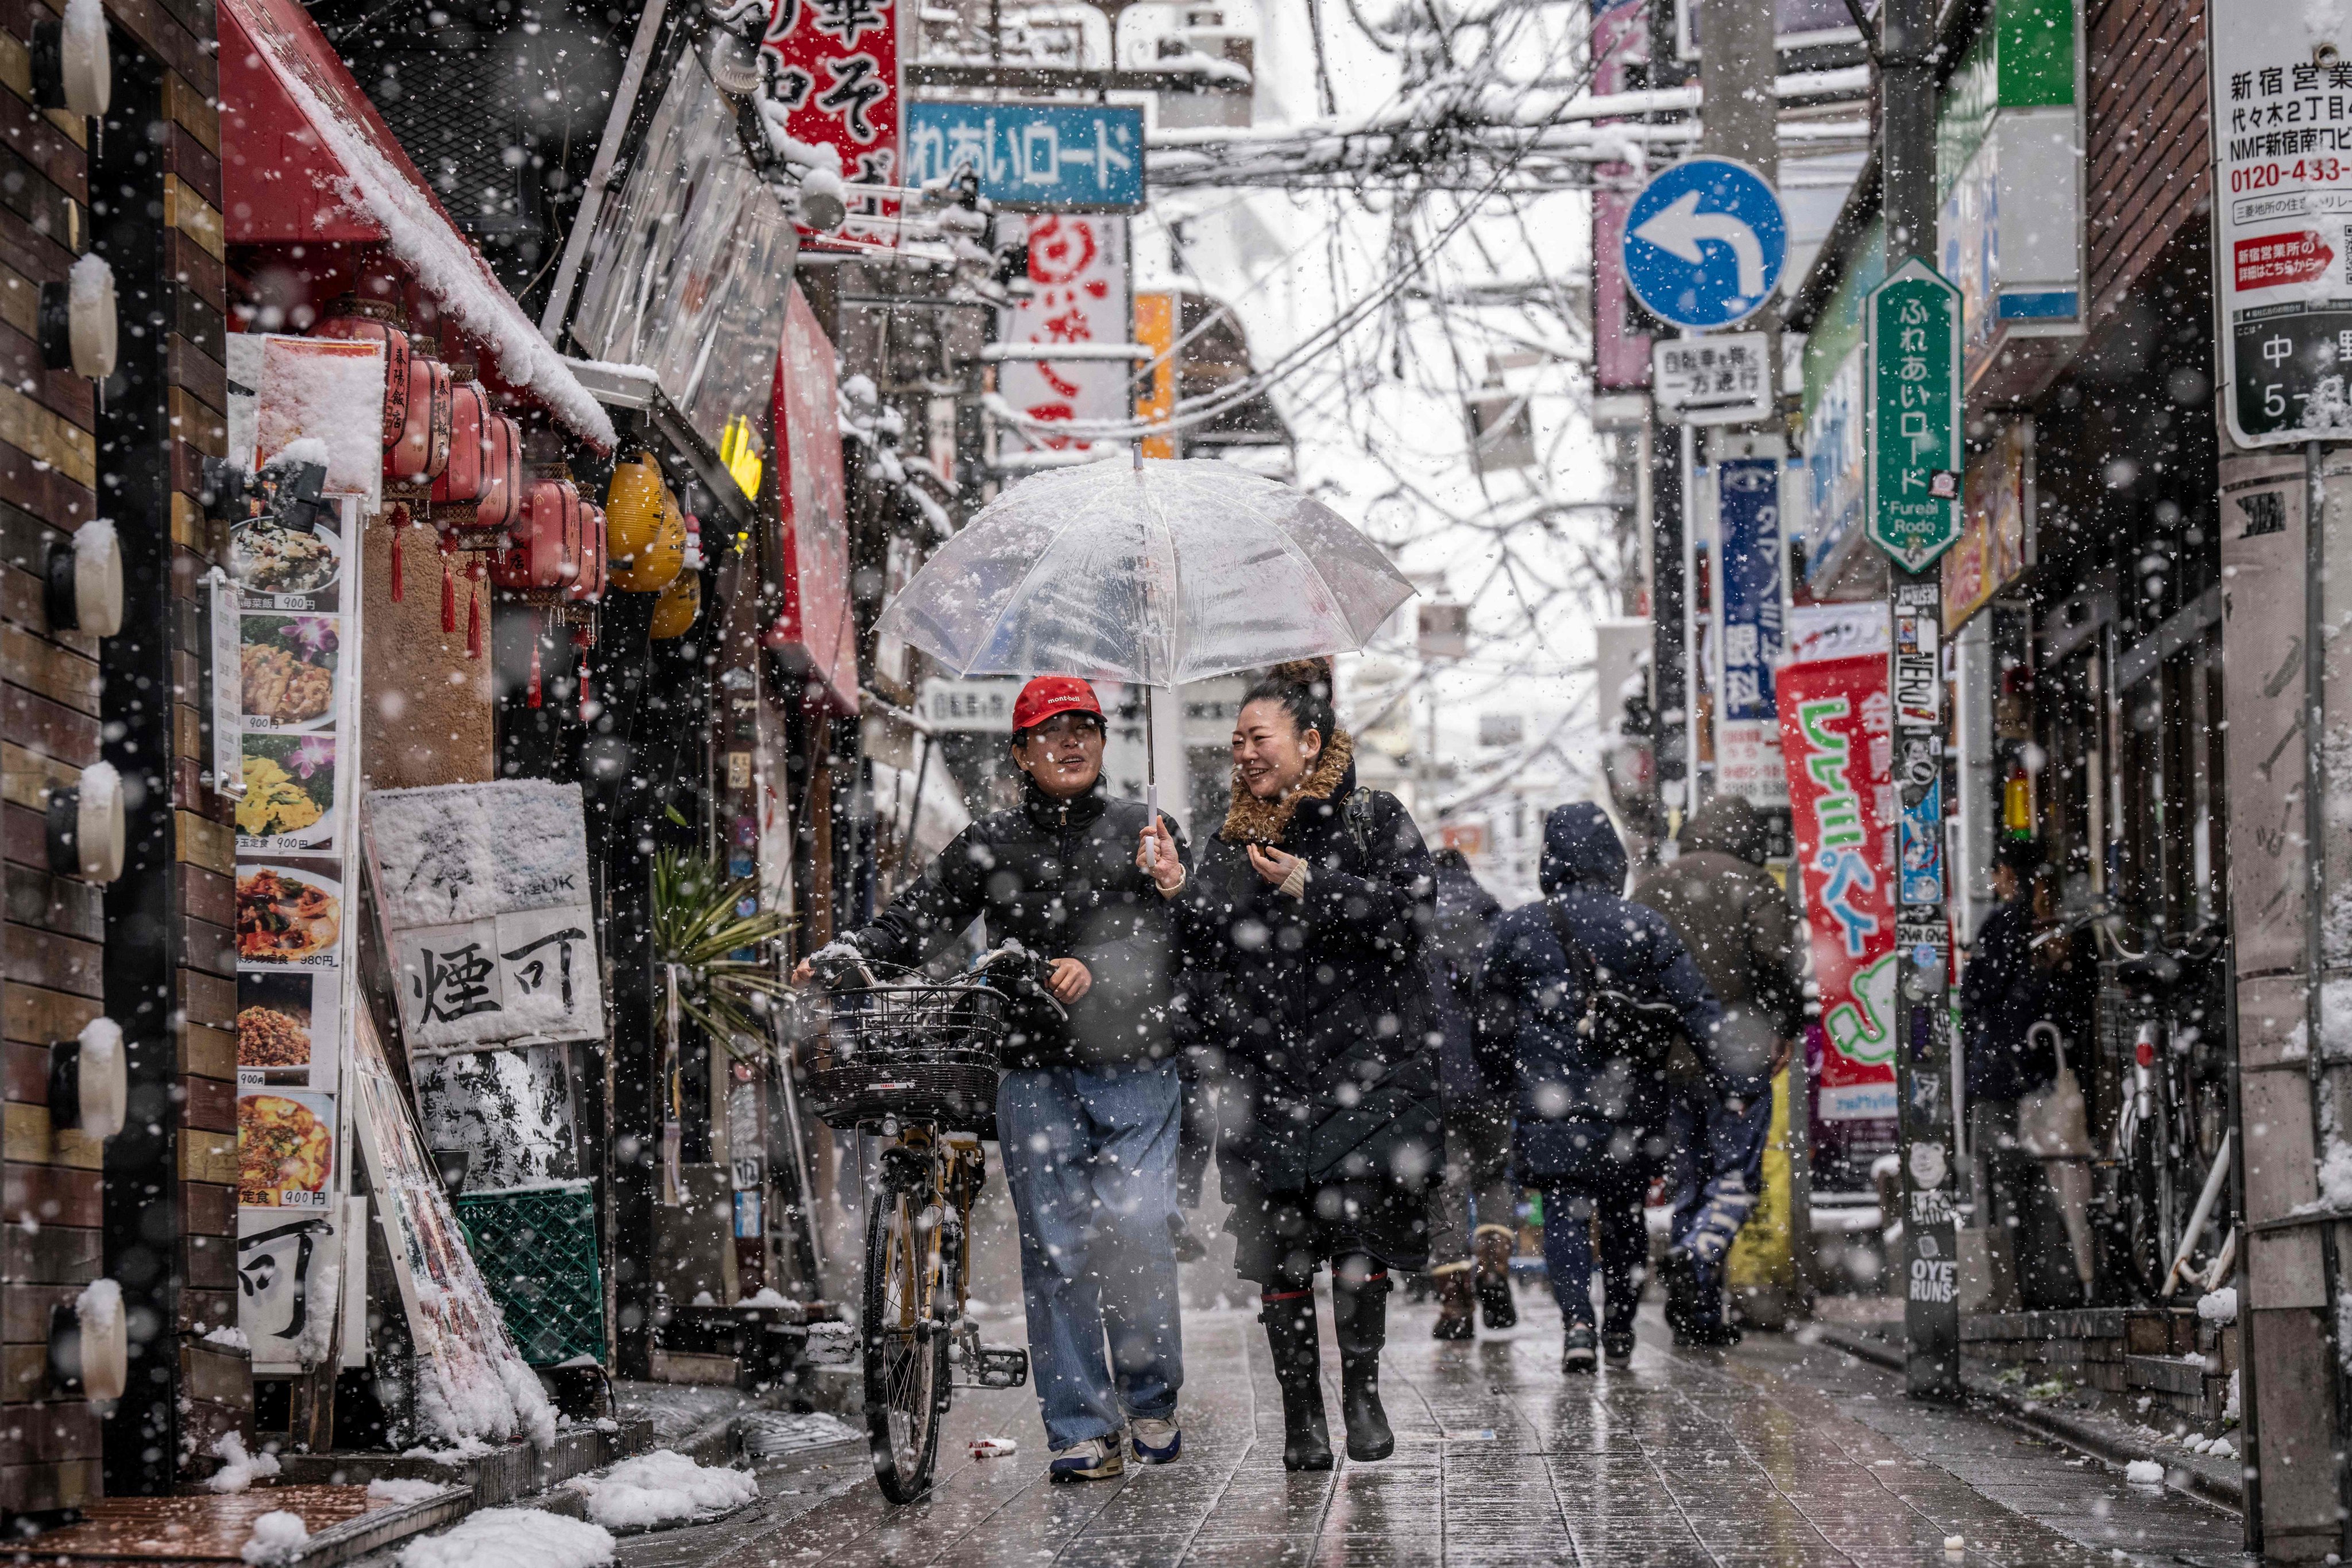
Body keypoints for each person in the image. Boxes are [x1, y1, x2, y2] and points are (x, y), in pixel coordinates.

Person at [797, 675, 1192, 1482]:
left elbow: (1176, 938)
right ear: (1019, 751)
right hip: (1032, 1068)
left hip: (1136, 1065)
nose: (1070, 742)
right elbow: (917, 916)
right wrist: (853, 952)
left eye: (1084, 727)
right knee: (1057, 1249)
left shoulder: (1145, 830)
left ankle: (1150, 1390)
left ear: (1103, 740)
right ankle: (1080, 1427)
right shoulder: (990, 840)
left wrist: (1144, 916)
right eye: (1050, 732)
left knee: (1140, 1227)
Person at [1171, 661, 1439, 1471]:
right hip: (1265, 1083)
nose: (1244, 753)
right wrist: (1176, 890)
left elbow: (1416, 912)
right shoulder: (1226, 844)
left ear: (1309, 740)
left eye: (1259, 737)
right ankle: (1301, 1420)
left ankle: (1360, 1394)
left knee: (1357, 1241)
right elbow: (1203, 957)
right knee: (1282, 1258)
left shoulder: (1372, 817)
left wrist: (1310, 882)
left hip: (1364, 1078)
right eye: (1235, 741)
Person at [1478, 802, 1724, 1372]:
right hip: (1628, 1102)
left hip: (1550, 1103)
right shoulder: (1642, 924)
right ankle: (1618, 1326)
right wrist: (1733, 1076)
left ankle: (1578, 1327)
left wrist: (1501, 1080)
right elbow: (1695, 1004)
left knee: (1563, 1212)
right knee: (1623, 1214)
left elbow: (1488, 1021)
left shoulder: (1518, 928)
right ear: (1611, 858)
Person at [1629, 795, 1801, 1346]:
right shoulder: (1754, 883)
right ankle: (1696, 1258)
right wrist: (1783, 1025)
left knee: (1690, 1181)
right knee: (1735, 1181)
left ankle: (1696, 1313)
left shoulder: (1653, 885)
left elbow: (1634, 967)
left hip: (1668, 1058)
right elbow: (1776, 958)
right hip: (1736, 1054)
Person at [1960, 839, 2088, 1309]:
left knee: (2000, 1183)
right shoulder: (2065, 925)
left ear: (2009, 875)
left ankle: (2007, 1289)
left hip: (2001, 1073)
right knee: (2047, 1179)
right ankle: (2058, 1284)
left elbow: (1976, 995)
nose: (1994, 882)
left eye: (1997, 872)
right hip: (2047, 1071)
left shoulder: (2003, 924)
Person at [1422, 847, 1517, 1341]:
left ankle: (1456, 1303)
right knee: (1494, 1178)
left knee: (1447, 1188)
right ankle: (1495, 1267)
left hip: (1436, 1080)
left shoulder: (1416, 922)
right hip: (1490, 1076)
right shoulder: (1496, 921)